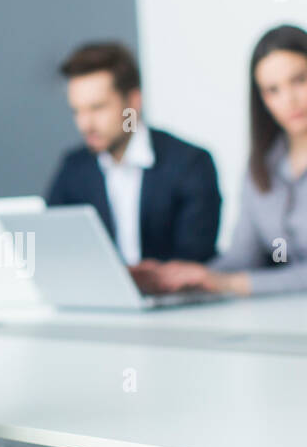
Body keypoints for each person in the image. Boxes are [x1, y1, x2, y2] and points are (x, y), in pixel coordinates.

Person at [141, 25, 307, 296]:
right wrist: (186, 276)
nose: (290, 100)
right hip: (281, 318)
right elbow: (243, 258)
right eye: (273, 90)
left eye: (299, 80)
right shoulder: (262, 166)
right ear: (262, 100)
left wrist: (232, 284)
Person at [45, 42, 221, 291]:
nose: (86, 124)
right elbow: (55, 248)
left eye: (97, 108)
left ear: (133, 102)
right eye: (77, 111)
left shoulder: (190, 164)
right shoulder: (74, 168)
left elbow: (194, 260)